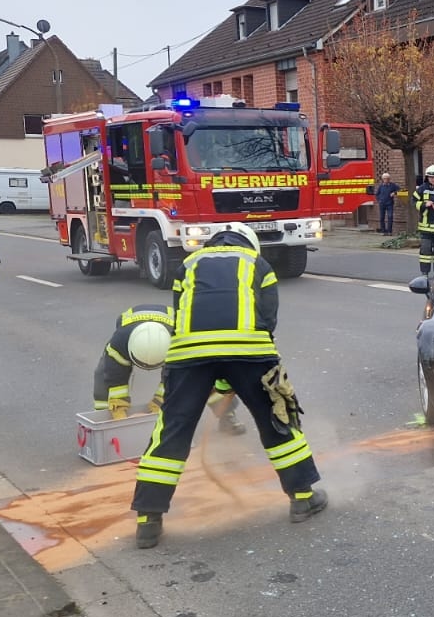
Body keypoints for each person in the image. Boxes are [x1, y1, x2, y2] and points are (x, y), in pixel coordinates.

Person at [131, 222, 325, 549]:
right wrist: (243, 373)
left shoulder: (188, 265)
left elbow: (181, 314)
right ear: (249, 244)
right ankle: (302, 498)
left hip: (189, 356)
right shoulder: (257, 264)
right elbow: (268, 317)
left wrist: (215, 373)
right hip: (250, 352)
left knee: (172, 430)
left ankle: (148, 518)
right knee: (278, 417)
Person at [93, 304, 245, 434]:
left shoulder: (179, 341)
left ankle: (227, 416)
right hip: (131, 334)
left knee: (203, 376)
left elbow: (173, 380)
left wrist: (158, 405)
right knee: (102, 375)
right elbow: (114, 379)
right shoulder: (118, 345)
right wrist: (119, 411)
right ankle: (102, 423)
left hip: (172, 339)